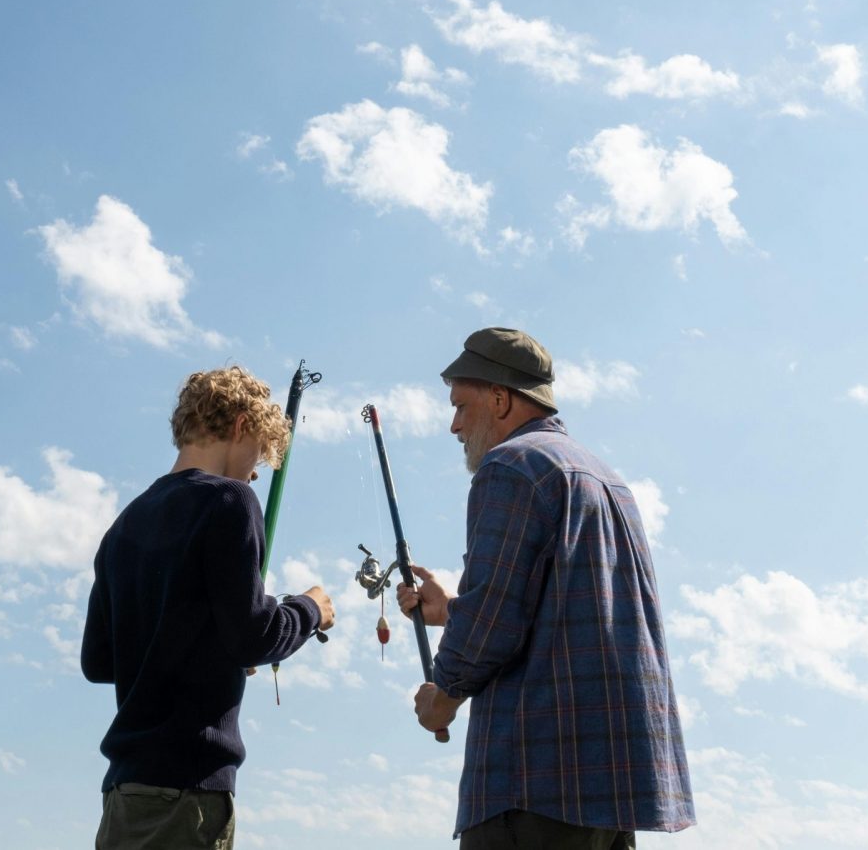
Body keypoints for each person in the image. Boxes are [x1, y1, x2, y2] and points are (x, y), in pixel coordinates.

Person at [398, 328, 695, 848]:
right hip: (615, 789)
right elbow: (558, 604)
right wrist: (451, 611)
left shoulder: (510, 466)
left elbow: (493, 617)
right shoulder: (607, 480)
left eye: (461, 406)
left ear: (500, 398)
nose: (454, 425)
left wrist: (442, 697)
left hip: (535, 781)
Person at [82, 365, 335, 850]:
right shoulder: (231, 500)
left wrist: (216, 646)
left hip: (123, 795)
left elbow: (98, 661)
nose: (256, 472)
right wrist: (309, 609)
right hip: (187, 794)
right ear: (241, 425)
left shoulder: (123, 525)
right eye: (259, 452)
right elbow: (254, 637)